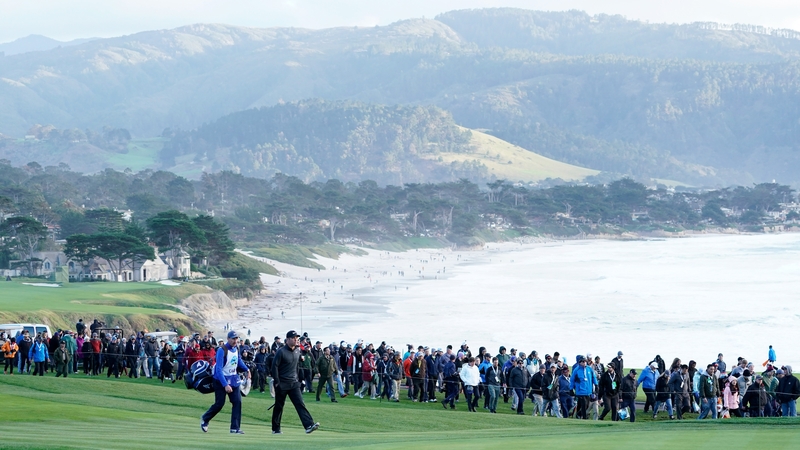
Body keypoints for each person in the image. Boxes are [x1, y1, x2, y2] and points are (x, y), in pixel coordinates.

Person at [201, 330, 251, 435]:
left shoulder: (236, 348)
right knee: (219, 404)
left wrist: (247, 369)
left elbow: (238, 360)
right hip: (220, 380)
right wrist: (225, 385)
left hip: (233, 379)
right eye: (233, 339)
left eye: (236, 338)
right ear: (228, 339)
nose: (235, 341)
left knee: (237, 402)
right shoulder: (222, 350)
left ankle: (235, 428)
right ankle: (205, 418)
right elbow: (218, 370)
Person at [271, 330, 319, 435]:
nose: (296, 339)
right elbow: (274, 367)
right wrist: (277, 382)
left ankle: (309, 425)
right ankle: (276, 428)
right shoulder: (281, 351)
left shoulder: (298, 351)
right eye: (293, 338)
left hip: (294, 383)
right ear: (288, 339)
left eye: (296, 338)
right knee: (279, 406)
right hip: (282, 383)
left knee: (300, 403)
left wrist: (299, 379)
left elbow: (297, 366)